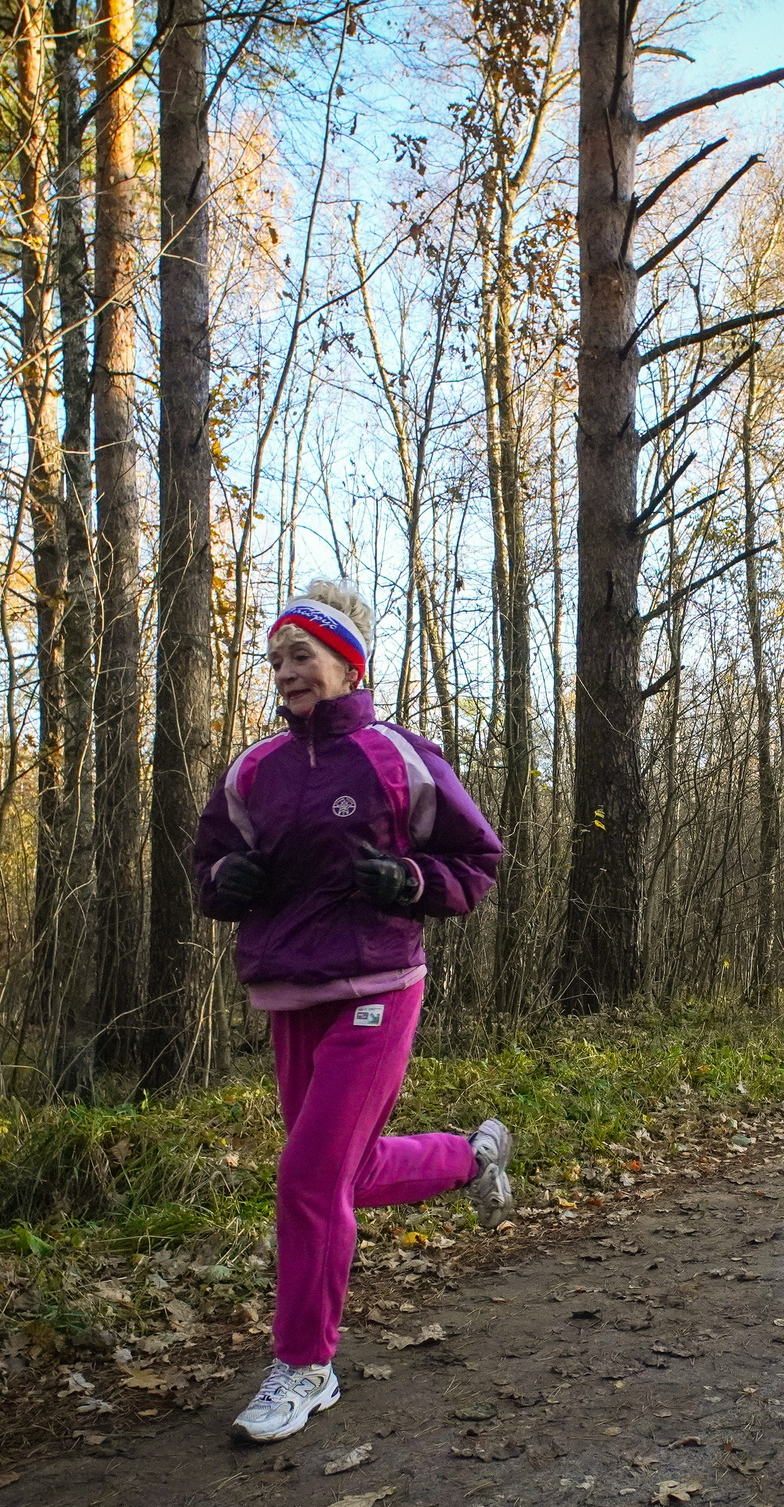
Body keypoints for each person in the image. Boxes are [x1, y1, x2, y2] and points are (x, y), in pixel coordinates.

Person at [191, 578, 509, 1444]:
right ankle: (471, 1156)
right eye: (276, 660)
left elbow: (478, 860)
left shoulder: (396, 757)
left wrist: (413, 881)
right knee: (345, 1172)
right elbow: (208, 864)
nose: (285, 673)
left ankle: (305, 1366)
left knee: (306, 1176)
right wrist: (227, 883)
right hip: (290, 990)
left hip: (377, 987)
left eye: (301, 656)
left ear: (344, 661)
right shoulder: (254, 769)